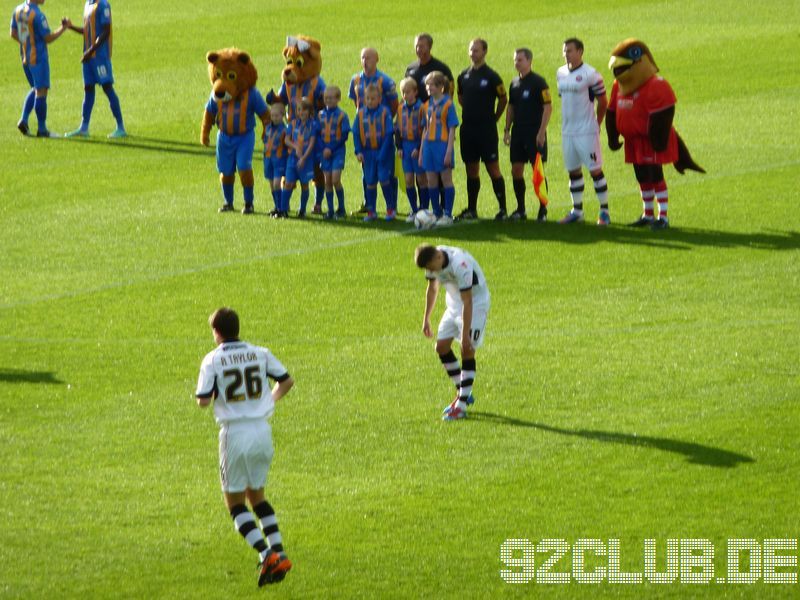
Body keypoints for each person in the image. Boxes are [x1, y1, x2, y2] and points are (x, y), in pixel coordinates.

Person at [195, 307, 294, 587]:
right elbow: (286, 381)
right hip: (262, 430)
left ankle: (267, 554)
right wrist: (266, 402)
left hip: (235, 434)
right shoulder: (259, 352)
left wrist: (213, 394)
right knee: (258, 497)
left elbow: (203, 401)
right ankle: (279, 552)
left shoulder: (212, 359)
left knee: (235, 504)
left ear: (216, 332)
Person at [415, 244, 490, 421]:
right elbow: (432, 289)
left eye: (431, 268)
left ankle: (461, 406)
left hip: (476, 304)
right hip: (454, 304)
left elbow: (468, 301)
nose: (430, 271)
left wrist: (465, 336)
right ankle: (464, 392)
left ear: (438, 258)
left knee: (467, 349)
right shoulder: (432, 263)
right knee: (441, 347)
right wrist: (426, 318)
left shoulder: (460, 264)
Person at [556, 38, 610, 226]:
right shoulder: (560, 73)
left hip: (586, 131)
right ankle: (577, 211)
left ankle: (604, 212)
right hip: (567, 131)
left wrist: (597, 123)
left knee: (595, 170)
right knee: (573, 171)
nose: (566, 54)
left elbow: (603, 102)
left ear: (580, 51)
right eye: (564, 51)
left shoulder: (591, 74)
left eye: (569, 50)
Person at [456, 38, 508, 221]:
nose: (473, 53)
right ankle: (472, 209)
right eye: (471, 50)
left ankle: (502, 209)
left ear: (485, 51)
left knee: (493, 168)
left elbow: (503, 98)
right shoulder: (463, 76)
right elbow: (460, 97)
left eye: (476, 50)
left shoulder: (492, 77)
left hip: (486, 130)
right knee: (471, 168)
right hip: (468, 129)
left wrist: (495, 117)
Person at [63, 0, 125, 138]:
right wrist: (71, 27)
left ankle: (121, 127)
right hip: (89, 56)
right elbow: (88, 31)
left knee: (107, 88)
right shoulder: (88, 4)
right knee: (88, 89)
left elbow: (106, 31)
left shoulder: (103, 4)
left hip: (100, 56)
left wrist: (90, 51)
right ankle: (84, 128)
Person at [503, 47, 552, 221]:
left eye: (520, 60)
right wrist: (507, 130)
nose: (517, 63)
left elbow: (548, 107)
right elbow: (511, 107)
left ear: (529, 61)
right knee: (516, 169)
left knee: (537, 170)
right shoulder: (514, 83)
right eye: (515, 60)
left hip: (534, 132)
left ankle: (542, 209)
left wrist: (541, 132)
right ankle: (521, 209)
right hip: (518, 132)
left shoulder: (539, 82)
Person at [349, 47, 399, 215]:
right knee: (368, 175)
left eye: (369, 58)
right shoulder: (355, 80)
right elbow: (355, 103)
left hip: (381, 130)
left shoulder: (385, 81)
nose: (365, 61)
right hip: (365, 133)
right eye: (363, 57)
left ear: (377, 59)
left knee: (387, 174)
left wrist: (382, 120)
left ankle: (392, 205)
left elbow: (394, 105)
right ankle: (369, 206)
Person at [10, 0, 70, 137]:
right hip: (38, 58)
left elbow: (13, 33)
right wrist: (64, 27)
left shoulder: (19, 10)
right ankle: (42, 130)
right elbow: (48, 38)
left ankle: (24, 120)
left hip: (25, 57)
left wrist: (27, 41)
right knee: (41, 91)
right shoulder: (37, 15)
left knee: (35, 89)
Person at [419, 71, 458, 227]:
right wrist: (422, 151)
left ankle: (448, 214)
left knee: (446, 179)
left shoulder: (448, 104)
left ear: (441, 87)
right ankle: (436, 212)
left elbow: (452, 128)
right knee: (431, 179)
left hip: (442, 145)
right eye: (427, 86)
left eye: (432, 86)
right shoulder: (426, 105)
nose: (428, 89)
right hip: (428, 145)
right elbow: (425, 129)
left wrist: (449, 151)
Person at [353, 84, 395, 221]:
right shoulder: (360, 114)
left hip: (383, 153)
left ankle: (390, 209)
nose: (370, 101)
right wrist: (358, 151)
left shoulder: (385, 112)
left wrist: (383, 153)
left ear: (379, 99)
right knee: (370, 182)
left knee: (384, 179)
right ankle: (372, 211)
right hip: (367, 153)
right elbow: (356, 134)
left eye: (373, 98)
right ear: (364, 99)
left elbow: (389, 134)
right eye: (368, 99)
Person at [395, 77, 427, 221]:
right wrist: (399, 147)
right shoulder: (400, 108)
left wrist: (420, 147)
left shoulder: (421, 108)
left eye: (408, 92)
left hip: (417, 146)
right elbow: (397, 129)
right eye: (403, 92)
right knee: (408, 179)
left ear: (415, 92)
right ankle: (413, 209)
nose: (405, 95)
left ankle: (424, 208)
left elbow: (426, 129)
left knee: (421, 179)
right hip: (406, 147)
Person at [281, 96, 319, 218]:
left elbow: (312, 143)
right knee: (288, 183)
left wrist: (303, 158)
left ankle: (302, 210)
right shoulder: (292, 124)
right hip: (292, 158)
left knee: (304, 184)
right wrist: (295, 146)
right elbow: (286, 139)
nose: (301, 112)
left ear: (309, 111)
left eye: (303, 110)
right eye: (298, 110)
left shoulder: (313, 125)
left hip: (306, 160)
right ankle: (283, 209)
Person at [318, 85, 350, 219]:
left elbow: (344, 135)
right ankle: (330, 210)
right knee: (328, 181)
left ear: (338, 99)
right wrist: (323, 149)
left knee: (336, 179)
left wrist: (330, 148)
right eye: (326, 98)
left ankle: (341, 208)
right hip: (324, 152)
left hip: (337, 151)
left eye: (331, 98)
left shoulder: (342, 115)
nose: (328, 101)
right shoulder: (320, 115)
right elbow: (317, 134)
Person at [405, 33, 454, 103]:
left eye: (421, 46)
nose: (418, 49)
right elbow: (406, 90)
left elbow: (449, 93)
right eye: (416, 46)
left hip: (434, 111)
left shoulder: (441, 68)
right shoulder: (410, 68)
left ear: (430, 47)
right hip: (415, 111)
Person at [263, 102, 288, 218]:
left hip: (279, 159)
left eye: (277, 116)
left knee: (277, 183)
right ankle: (277, 207)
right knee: (272, 184)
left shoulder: (285, 130)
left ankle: (283, 208)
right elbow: (265, 141)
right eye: (272, 115)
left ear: (283, 115)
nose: (274, 118)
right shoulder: (268, 128)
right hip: (268, 159)